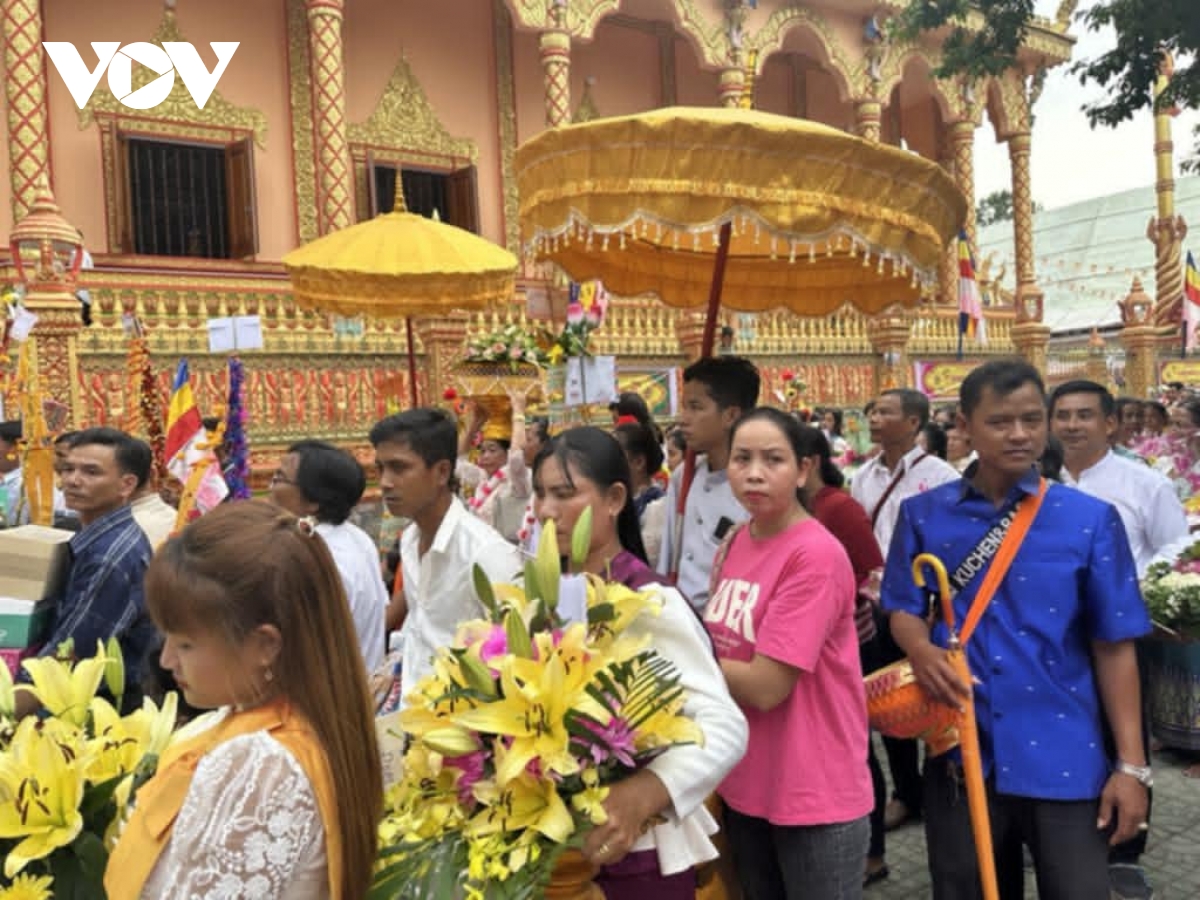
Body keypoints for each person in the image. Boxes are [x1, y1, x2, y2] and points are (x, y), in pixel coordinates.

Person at [883, 359, 1152, 900]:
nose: (1020, 434)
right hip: (960, 748)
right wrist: (919, 648)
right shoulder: (924, 515)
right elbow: (903, 606)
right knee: (965, 888)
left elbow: (1114, 646)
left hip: (1065, 748)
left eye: (1033, 419)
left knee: (1078, 889)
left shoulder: (1089, 519)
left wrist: (1132, 768)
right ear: (965, 424)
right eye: (1001, 422)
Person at [104, 501, 382, 900]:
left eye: (185, 644)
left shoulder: (260, 763)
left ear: (265, 644)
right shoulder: (293, 722)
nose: (166, 661)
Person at [531, 427, 748, 899]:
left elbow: (724, 725)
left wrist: (644, 791)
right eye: (541, 494)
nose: (546, 511)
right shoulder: (550, 596)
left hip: (635, 851)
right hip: (562, 851)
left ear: (613, 499)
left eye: (564, 494)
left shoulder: (649, 601)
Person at [704, 408, 872, 900]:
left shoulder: (813, 555)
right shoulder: (738, 539)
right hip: (747, 779)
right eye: (742, 459)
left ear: (803, 469)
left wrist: (680, 661)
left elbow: (766, 686)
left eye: (772, 459)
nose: (754, 473)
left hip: (814, 790)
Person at [851, 389, 959, 832]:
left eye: (885, 412)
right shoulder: (863, 475)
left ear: (914, 423)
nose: (875, 418)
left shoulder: (941, 476)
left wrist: (937, 606)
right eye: (874, 411)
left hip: (919, 606)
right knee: (883, 696)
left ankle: (935, 787)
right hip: (875, 605)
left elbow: (950, 544)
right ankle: (905, 791)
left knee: (923, 696)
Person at [370, 409, 520, 704]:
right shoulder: (411, 540)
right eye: (380, 468)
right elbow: (422, 628)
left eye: (399, 468)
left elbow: (519, 655)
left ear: (441, 472)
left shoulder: (485, 553)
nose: (385, 482)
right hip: (412, 718)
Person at [798, 427, 889, 887]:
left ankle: (872, 852)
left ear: (807, 462)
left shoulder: (838, 507)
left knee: (855, 739)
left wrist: (836, 601)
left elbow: (874, 571)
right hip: (808, 645)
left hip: (850, 638)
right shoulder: (800, 511)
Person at [16, 428, 155, 719]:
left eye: (91, 472)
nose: (72, 480)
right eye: (68, 469)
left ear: (126, 484)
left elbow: (69, 651)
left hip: (96, 709)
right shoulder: (99, 535)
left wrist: (10, 711)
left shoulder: (109, 557)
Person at [269, 440, 388, 673]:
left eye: (279, 479)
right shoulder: (356, 537)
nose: (270, 488)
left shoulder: (312, 557)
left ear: (314, 502)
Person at [1052, 381, 1188, 577]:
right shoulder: (1037, 483)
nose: (1072, 425)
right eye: (1063, 417)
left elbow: (1176, 549)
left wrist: (1134, 587)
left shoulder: (1148, 484)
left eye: (1084, 416)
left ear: (1109, 424)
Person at [657, 356, 760, 610]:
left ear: (730, 415)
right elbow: (668, 553)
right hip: (683, 619)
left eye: (695, 407)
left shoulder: (756, 485)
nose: (684, 419)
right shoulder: (684, 476)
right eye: (684, 407)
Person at [457, 393, 533, 543]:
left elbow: (517, 458)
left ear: (506, 454)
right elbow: (458, 464)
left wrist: (518, 412)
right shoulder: (483, 478)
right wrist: (474, 425)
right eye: (483, 451)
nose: (485, 456)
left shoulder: (517, 480)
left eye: (492, 450)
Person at [614, 421, 668, 569]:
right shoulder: (617, 501)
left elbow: (647, 561)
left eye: (615, 457)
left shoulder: (657, 507)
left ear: (638, 462)